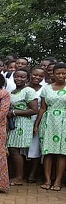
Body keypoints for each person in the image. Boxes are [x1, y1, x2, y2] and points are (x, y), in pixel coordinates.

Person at [34, 63, 66, 191]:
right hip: (48, 121)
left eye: (64, 73)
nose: (61, 76)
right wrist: (36, 124)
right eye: (58, 73)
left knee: (62, 153)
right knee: (47, 152)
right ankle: (47, 180)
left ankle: (58, 181)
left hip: (64, 122)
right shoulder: (46, 88)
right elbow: (42, 108)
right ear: (53, 74)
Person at [6, 69, 38, 186]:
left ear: (27, 78)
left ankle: (19, 177)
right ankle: (17, 175)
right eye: (17, 76)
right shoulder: (13, 91)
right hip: (13, 123)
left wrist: (14, 112)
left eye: (22, 77)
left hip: (23, 123)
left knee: (15, 149)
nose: (19, 79)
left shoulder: (28, 91)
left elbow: (34, 110)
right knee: (13, 149)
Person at [26, 68, 45, 183]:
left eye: (40, 76)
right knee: (22, 148)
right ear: (30, 74)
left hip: (37, 119)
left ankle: (32, 174)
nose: (37, 77)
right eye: (35, 75)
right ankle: (22, 172)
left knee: (35, 147)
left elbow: (42, 108)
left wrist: (36, 124)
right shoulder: (23, 87)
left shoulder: (44, 89)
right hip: (22, 120)